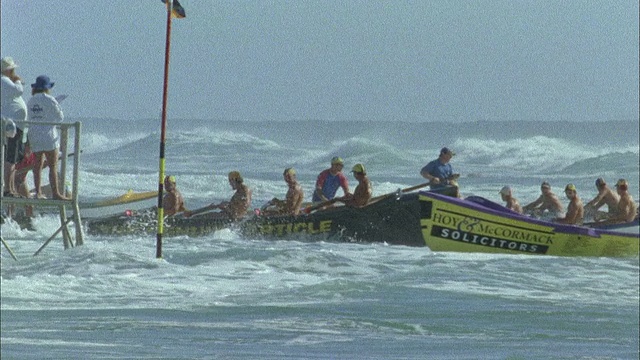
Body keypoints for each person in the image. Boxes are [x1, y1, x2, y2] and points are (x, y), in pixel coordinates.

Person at [27, 75, 69, 200]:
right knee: (53, 166)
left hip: (34, 135)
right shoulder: (50, 100)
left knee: (37, 166)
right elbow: (60, 117)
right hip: (49, 136)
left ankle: (38, 192)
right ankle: (56, 193)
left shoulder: (31, 100)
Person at [1, 57, 28, 197]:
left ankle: (10, 188)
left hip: (15, 124)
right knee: (10, 158)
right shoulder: (3, 80)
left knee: (12, 158)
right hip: (11, 125)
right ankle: (8, 189)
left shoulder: (5, 82)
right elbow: (19, 90)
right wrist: (17, 79)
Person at [184, 171, 252, 219]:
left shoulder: (245, 191)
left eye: (230, 182)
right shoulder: (239, 191)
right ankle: (191, 213)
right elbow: (239, 204)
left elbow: (243, 206)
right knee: (213, 207)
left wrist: (227, 208)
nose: (230, 184)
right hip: (229, 213)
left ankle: (190, 217)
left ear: (234, 180)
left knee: (201, 217)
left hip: (230, 216)